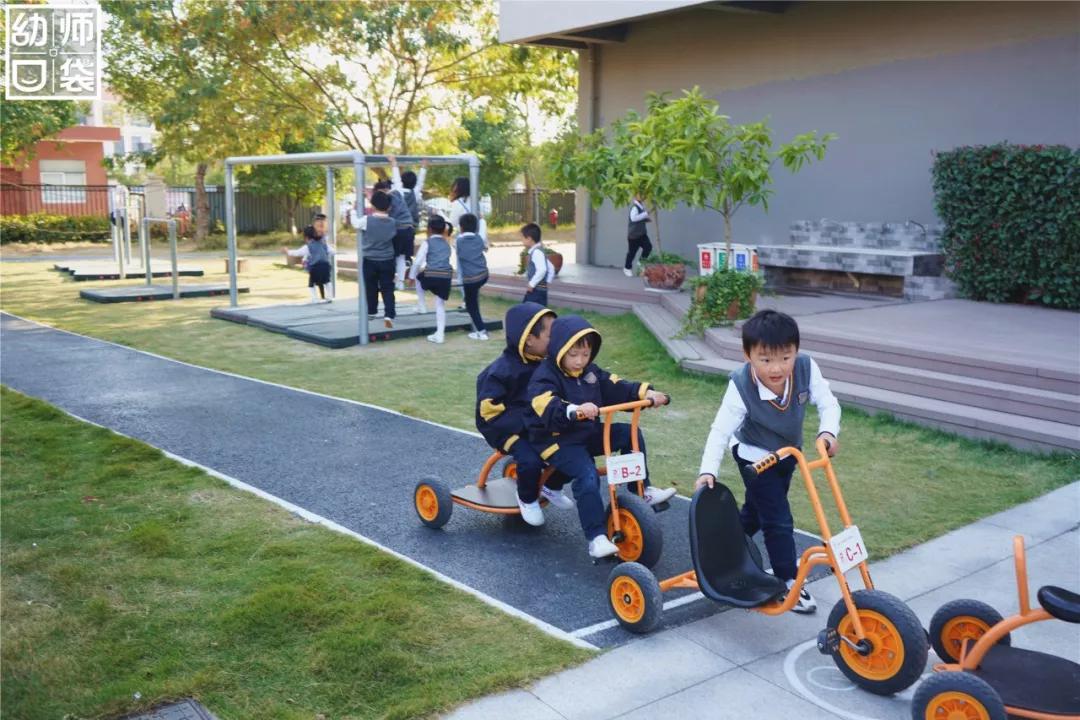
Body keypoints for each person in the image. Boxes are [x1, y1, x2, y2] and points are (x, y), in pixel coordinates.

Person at [695, 309, 841, 614]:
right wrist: (708, 470)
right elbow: (720, 430)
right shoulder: (740, 384)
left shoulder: (805, 367)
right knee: (778, 519)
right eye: (766, 359)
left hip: (789, 453)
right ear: (748, 354)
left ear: (796, 352)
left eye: (785, 358)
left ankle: (726, 545)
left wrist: (828, 433)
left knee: (759, 512)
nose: (777, 368)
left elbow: (828, 402)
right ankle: (788, 581)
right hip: (754, 456)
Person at [527, 315, 677, 559]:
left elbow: (614, 385)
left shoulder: (590, 373)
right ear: (559, 350)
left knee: (630, 433)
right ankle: (596, 537)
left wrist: (647, 392)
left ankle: (642, 491)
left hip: (586, 432)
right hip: (556, 439)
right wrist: (572, 410)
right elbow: (545, 403)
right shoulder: (545, 375)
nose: (580, 361)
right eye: (573, 355)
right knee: (587, 475)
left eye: (585, 355)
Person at [475, 302, 575, 526]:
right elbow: (489, 412)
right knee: (530, 458)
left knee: (574, 447)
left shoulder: (547, 365)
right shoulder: (500, 372)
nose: (556, 339)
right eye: (551, 334)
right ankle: (527, 498)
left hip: (535, 423)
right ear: (529, 339)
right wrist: (529, 426)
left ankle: (551, 486)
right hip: (502, 427)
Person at [352, 191, 397, 328]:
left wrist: (353, 211)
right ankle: (389, 314)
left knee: (371, 287)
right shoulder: (392, 222)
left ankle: (371, 311)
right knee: (387, 288)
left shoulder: (367, 220)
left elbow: (355, 223)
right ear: (389, 207)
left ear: (372, 205)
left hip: (370, 259)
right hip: (388, 259)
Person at [386, 155, 428, 290]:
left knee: (394, 254)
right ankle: (400, 282)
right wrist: (423, 167)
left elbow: (396, 177)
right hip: (409, 229)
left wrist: (394, 163)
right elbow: (420, 183)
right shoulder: (414, 193)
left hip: (397, 228)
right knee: (403, 256)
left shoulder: (398, 191)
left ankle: (393, 279)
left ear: (403, 181)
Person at [410, 215, 454, 344]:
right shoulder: (447, 243)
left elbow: (418, 262)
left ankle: (422, 305)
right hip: (446, 277)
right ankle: (440, 334)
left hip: (432, 275)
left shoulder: (427, 242)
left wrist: (411, 276)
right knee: (440, 304)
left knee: (418, 278)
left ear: (429, 229)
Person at [282, 214, 334, 303]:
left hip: (315, 268)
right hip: (326, 267)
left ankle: (314, 299)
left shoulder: (308, 247)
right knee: (327, 281)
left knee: (311, 283)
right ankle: (330, 297)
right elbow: (332, 252)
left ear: (307, 238)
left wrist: (287, 251)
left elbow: (297, 253)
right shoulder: (324, 244)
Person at [456, 213, 490, 341]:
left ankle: (482, 331)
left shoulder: (459, 241)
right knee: (472, 299)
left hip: (470, 279)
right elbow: (482, 230)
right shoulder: (479, 238)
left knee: (471, 305)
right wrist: (481, 219)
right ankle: (481, 330)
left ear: (461, 227)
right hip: (483, 275)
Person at [520, 222, 554, 306]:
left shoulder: (536, 252)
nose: (522, 240)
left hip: (536, 292)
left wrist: (532, 284)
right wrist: (547, 282)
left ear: (529, 238)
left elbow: (542, 270)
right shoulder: (539, 251)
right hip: (540, 291)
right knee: (537, 314)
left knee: (528, 312)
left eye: (523, 238)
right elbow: (551, 268)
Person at [625, 194, 652, 277]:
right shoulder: (635, 207)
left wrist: (645, 219)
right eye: (639, 195)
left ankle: (641, 263)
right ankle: (627, 268)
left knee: (648, 247)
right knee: (632, 253)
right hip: (634, 235)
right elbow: (634, 218)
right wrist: (646, 214)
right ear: (635, 196)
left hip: (642, 234)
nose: (642, 196)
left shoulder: (640, 207)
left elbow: (639, 218)